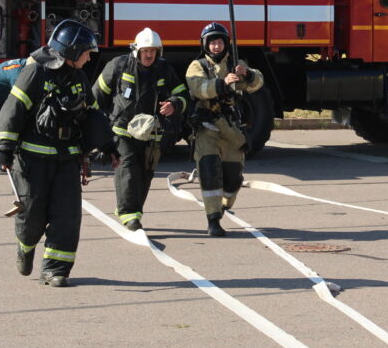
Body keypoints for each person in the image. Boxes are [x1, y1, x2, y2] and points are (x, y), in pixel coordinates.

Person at [0, 20, 117, 287]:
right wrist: (4, 147)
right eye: (85, 52)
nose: (88, 58)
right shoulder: (35, 72)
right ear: (71, 51)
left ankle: (54, 270)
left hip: (67, 159)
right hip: (31, 159)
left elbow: (93, 115)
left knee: (67, 216)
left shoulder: (80, 78)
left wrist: (109, 146)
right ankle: (25, 248)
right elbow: (13, 108)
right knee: (33, 217)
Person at [93, 27, 188, 231]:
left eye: (153, 50)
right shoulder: (118, 65)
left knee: (146, 173)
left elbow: (183, 95)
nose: (149, 54)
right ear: (136, 50)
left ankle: (133, 210)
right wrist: (97, 130)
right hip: (122, 131)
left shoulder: (164, 69)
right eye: (145, 50)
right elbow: (96, 97)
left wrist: (174, 104)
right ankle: (129, 215)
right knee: (128, 169)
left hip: (151, 133)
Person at [186, 22, 264, 237]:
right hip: (207, 127)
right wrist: (223, 83)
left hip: (231, 129)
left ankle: (224, 205)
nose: (216, 46)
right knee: (209, 172)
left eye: (219, 42)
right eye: (212, 43)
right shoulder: (197, 65)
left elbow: (257, 83)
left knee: (233, 178)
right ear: (205, 45)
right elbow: (198, 88)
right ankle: (213, 220)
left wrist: (247, 74)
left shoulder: (236, 63)